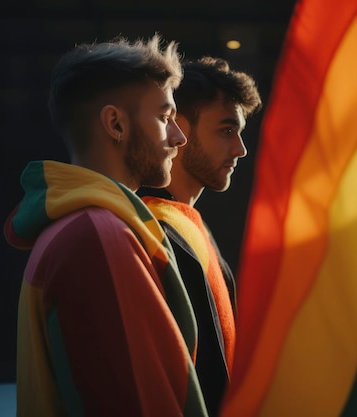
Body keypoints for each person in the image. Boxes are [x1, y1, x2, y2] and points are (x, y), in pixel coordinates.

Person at [3, 35, 209, 417]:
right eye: (165, 118)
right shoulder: (99, 238)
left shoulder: (77, 226)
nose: (179, 137)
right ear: (115, 123)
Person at [137, 56, 262, 416]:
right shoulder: (154, 231)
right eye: (226, 130)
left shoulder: (188, 225)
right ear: (176, 126)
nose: (240, 149)